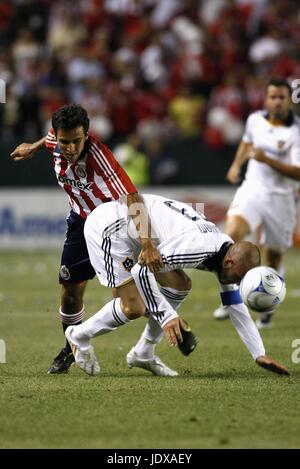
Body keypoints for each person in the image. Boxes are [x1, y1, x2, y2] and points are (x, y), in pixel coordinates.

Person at [10, 104, 163, 374]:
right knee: (70, 293)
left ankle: (162, 330)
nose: (69, 148)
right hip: (80, 224)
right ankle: (71, 349)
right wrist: (31, 148)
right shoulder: (53, 140)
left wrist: (147, 242)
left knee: (128, 302)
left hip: (111, 227)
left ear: (87, 136)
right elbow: (46, 140)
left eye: (76, 141)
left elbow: (132, 197)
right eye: (64, 141)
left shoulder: (99, 156)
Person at [65, 194, 289, 377]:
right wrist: (167, 317)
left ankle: (144, 351)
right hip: (111, 227)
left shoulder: (226, 255)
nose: (238, 284)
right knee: (134, 307)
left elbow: (235, 305)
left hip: (137, 232)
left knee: (180, 285)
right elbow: (141, 270)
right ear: (230, 262)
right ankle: (79, 335)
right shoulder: (198, 248)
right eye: (239, 278)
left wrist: (259, 353)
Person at [213, 77, 300, 328]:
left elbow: (297, 172)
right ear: (266, 99)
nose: (277, 101)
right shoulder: (254, 120)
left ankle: (267, 307)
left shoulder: (295, 131)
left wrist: (267, 159)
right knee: (230, 238)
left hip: (281, 197)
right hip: (251, 189)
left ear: (289, 100)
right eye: (273, 97)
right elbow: (247, 141)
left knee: (272, 257)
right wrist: (236, 164)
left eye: (282, 97)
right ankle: (229, 299)